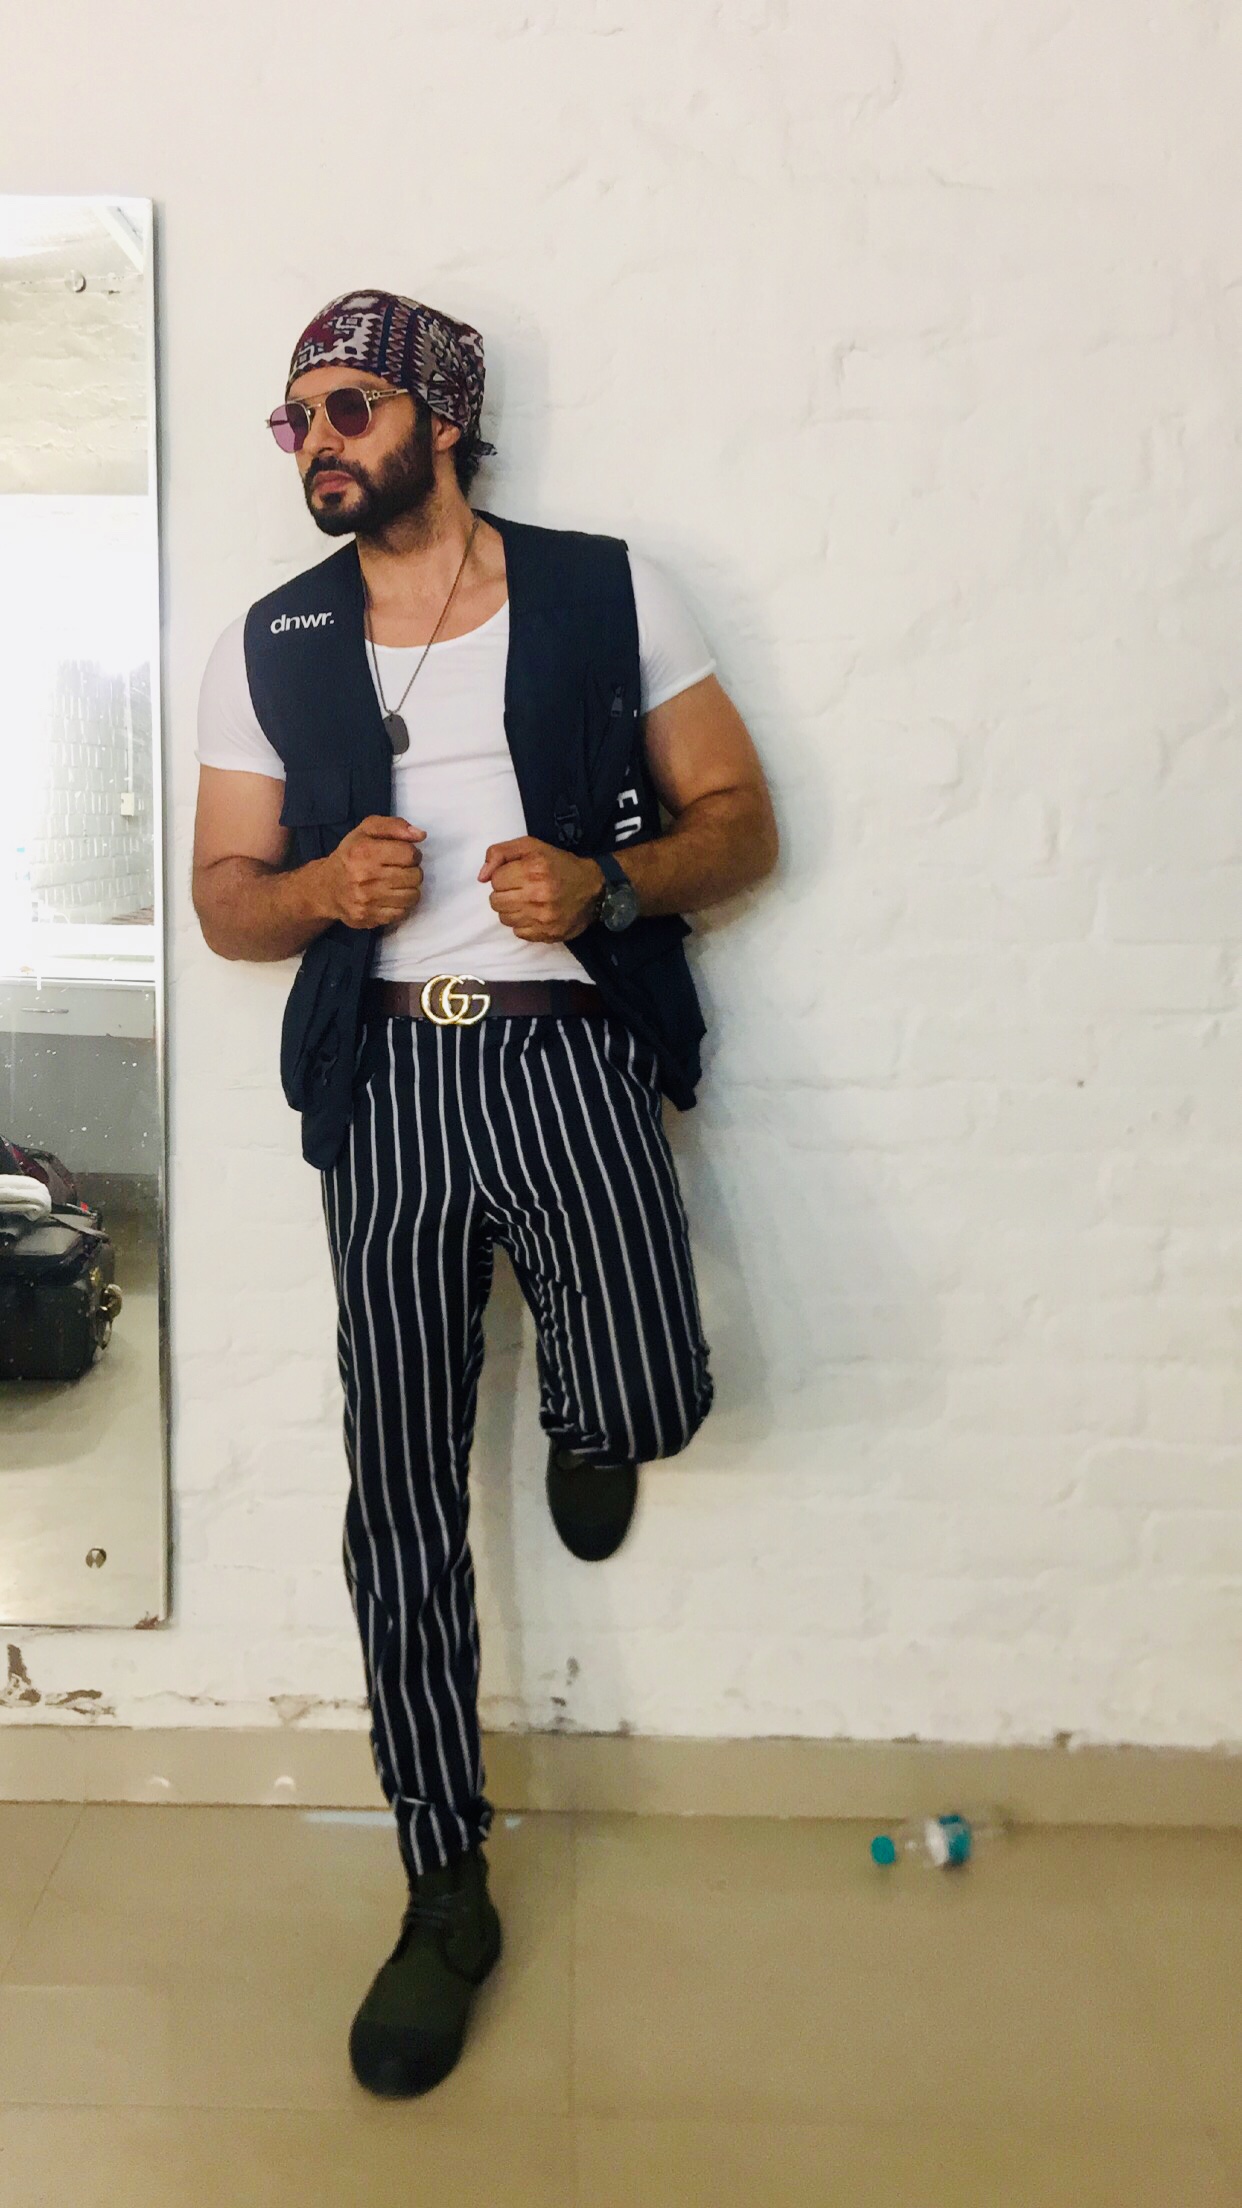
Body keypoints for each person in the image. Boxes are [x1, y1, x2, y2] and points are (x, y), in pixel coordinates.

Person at [191, 288, 779, 2099]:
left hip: (572, 1053)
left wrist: (609, 887)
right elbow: (225, 895)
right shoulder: (275, 638)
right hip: (388, 1086)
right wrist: (319, 895)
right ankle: (442, 1885)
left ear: (440, 417)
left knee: (655, 1394)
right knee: (400, 1485)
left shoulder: (606, 590)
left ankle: (601, 1419)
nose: (314, 446)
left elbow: (740, 821)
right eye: (294, 422)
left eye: (347, 410)